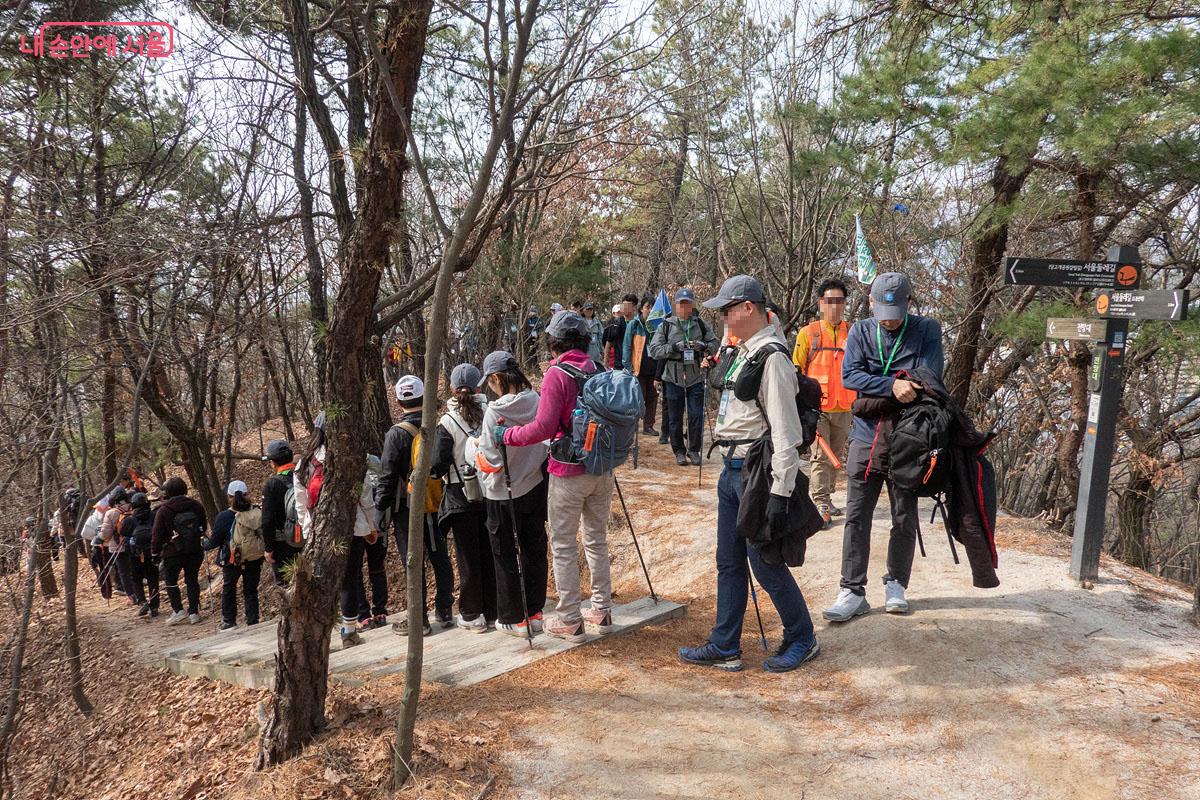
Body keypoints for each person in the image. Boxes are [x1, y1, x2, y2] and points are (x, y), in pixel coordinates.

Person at [679, 275, 821, 673]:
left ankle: (802, 637)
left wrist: (780, 493)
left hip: (758, 474)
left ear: (749, 308)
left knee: (764, 562)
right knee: (729, 562)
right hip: (731, 470)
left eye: (727, 308)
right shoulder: (742, 351)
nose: (722, 315)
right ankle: (725, 645)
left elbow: (786, 434)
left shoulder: (772, 357)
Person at [824, 272, 945, 622]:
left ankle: (897, 583)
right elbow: (850, 376)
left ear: (909, 303)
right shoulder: (862, 331)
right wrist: (893, 386)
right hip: (866, 436)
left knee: (904, 515)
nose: (889, 318)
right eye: (882, 309)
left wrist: (887, 385)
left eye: (896, 309)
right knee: (857, 514)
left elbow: (930, 376)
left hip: (911, 439)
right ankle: (851, 589)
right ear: (871, 303)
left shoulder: (926, 329)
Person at [499, 311, 616, 642]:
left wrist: (506, 436)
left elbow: (544, 428)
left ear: (554, 343)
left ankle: (569, 618)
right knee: (596, 538)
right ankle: (602, 611)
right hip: (602, 468)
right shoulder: (598, 369)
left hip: (568, 470)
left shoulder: (557, 374)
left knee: (564, 543)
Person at [469, 351, 549, 638]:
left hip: (502, 492)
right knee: (534, 547)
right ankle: (535, 612)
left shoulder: (495, 412)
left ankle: (514, 617)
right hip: (535, 484)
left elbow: (490, 460)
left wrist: (474, 448)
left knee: (504, 553)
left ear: (496, 378)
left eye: (490, 382)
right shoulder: (538, 400)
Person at [376, 375, 456, 637]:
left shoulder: (396, 434)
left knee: (413, 562)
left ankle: (418, 620)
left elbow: (387, 477)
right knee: (439, 556)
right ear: (425, 397)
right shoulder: (437, 426)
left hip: (406, 509)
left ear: (399, 400)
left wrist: (379, 509)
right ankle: (445, 610)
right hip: (434, 502)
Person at [432, 364, 496, 633]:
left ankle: (471, 613)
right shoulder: (490, 413)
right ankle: (494, 610)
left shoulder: (447, 422)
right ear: (479, 386)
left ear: (451, 389)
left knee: (467, 557)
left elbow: (437, 464)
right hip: (491, 490)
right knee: (490, 553)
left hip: (460, 494)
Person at [793, 278, 856, 528]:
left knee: (836, 456)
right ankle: (820, 503)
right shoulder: (808, 333)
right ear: (821, 303)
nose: (835, 306)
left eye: (839, 301)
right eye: (830, 301)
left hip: (845, 406)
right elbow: (795, 369)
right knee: (821, 456)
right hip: (816, 408)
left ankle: (826, 497)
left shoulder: (853, 332)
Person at [649, 287, 718, 466]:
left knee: (696, 415)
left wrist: (703, 346)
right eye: (681, 304)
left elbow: (715, 343)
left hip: (695, 374)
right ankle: (679, 451)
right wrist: (673, 348)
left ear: (692, 305)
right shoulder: (666, 325)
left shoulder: (700, 324)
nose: (685, 308)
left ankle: (694, 450)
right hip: (673, 376)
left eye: (688, 304)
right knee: (675, 417)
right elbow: (654, 350)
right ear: (676, 305)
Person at [204, 480, 264, 630]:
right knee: (251, 589)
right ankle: (253, 619)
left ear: (229, 497)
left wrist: (204, 545)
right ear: (247, 495)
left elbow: (214, 541)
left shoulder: (224, 516)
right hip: (254, 556)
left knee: (229, 588)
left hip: (232, 558)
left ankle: (229, 621)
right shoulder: (256, 513)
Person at [150, 477, 208, 626]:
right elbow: (203, 526)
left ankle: (178, 611)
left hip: (172, 551)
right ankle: (194, 612)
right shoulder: (196, 505)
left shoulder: (163, 510)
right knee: (192, 580)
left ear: (168, 492)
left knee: (171, 581)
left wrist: (155, 553)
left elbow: (157, 535)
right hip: (194, 550)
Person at [261, 439, 302, 586]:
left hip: (282, 543)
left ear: (273, 462)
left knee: (285, 585)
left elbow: (267, 520)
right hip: (304, 537)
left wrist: (268, 548)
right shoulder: (302, 477)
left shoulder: (272, 484)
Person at [622, 295, 661, 438]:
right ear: (641, 308)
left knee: (652, 397)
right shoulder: (634, 324)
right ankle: (632, 426)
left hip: (653, 368)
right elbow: (626, 346)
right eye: (647, 307)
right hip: (637, 369)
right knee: (638, 398)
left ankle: (648, 426)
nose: (650, 310)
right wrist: (628, 367)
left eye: (652, 308)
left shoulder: (657, 325)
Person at [122, 491, 160, 617]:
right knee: (153, 578)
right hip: (152, 552)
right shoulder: (154, 516)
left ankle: (142, 601)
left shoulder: (129, 520)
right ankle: (154, 606)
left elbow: (123, 534)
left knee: (136, 578)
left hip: (135, 555)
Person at [100, 487, 135, 603]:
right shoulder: (133, 507)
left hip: (118, 546)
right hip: (135, 543)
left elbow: (105, 534)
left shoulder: (111, 512)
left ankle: (131, 595)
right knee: (136, 569)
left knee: (124, 571)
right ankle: (141, 594)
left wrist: (102, 538)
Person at [82, 498, 111, 598]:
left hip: (105, 546)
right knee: (105, 568)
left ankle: (108, 592)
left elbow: (85, 534)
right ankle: (107, 592)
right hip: (102, 546)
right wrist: (96, 538)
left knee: (105, 568)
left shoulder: (94, 518)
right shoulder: (95, 518)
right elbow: (84, 534)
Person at [603, 294, 638, 369]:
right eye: (623, 305)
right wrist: (606, 362)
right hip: (619, 364)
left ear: (634, 307)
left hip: (635, 364)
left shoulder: (638, 323)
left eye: (628, 306)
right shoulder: (617, 323)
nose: (625, 308)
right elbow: (608, 343)